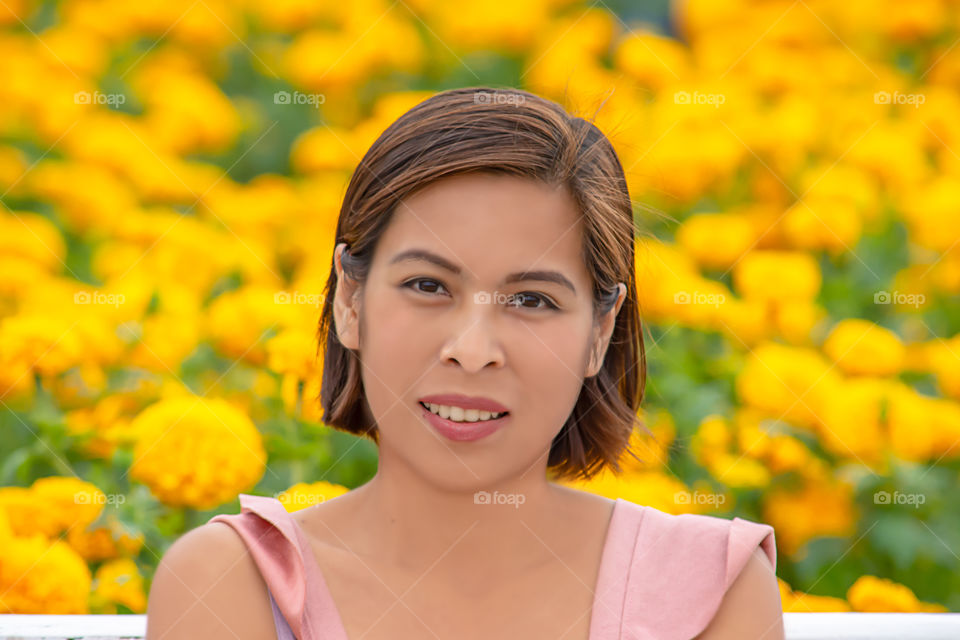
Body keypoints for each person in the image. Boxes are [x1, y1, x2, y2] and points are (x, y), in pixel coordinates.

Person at [145, 87, 784, 640]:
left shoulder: (710, 593)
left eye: (531, 300)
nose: (473, 351)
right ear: (349, 300)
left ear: (601, 330)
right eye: (427, 286)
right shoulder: (231, 584)